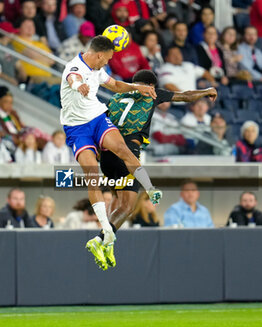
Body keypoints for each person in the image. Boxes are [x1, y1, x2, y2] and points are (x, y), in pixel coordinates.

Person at [60, 36, 162, 269]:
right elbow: (73, 78)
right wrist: (78, 86)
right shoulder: (74, 67)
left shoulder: (97, 69)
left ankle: (150, 186)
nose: (107, 62)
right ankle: (106, 230)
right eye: (107, 58)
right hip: (77, 129)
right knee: (92, 174)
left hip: (97, 118)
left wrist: (138, 87)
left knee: (124, 149)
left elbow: (115, 85)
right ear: (98, 55)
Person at [98, 69, 217, 268]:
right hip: (127, 153)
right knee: (127, 207)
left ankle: (107, 240)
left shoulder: (117, 95)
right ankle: (101, 239)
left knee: (118, 198)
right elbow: (186, 96)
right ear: (151, 86)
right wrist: (207, 91)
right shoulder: (153, 94)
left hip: (106, 155)